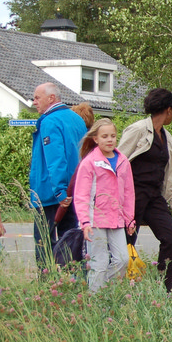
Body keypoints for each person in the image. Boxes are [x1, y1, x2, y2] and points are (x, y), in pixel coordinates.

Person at [119, 89, 172, 292]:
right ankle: (121, 289)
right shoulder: (138, 130)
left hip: (155, 196)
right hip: (132, 195)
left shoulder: (167, 138)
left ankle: (163, 290)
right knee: (126, 242)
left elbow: (168, 177)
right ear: (169, 109)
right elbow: (117, 162)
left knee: (171, 238)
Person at [72, 119, 136, 291]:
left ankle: (104, 291)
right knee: (99, 263)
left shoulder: (123, 161)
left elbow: (129, 193)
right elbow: (81, 195)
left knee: (123, 259)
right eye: (105, 136)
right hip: (95, 221)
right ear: (96, 139)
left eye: (113, 136)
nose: (110, 140)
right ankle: (96, 300)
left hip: (117, 219)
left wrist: (130, 219)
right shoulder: (89, 162)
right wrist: (85, 222)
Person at [29, 82, 87, 267]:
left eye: (37, 98)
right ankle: (71, 278)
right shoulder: (77, 119)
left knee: (43, 242)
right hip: (75, 189)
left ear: (51, 98)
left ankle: (47, 281)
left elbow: (55, 159)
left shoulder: (49, 121)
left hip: (51, 193)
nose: (34, 102)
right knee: (69, 241)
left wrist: (60, 191)